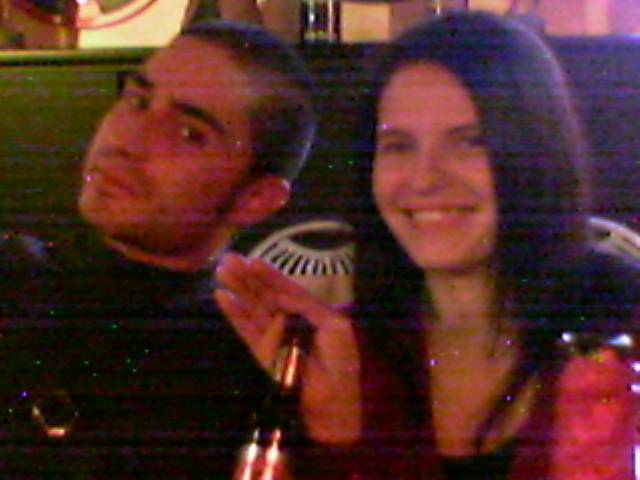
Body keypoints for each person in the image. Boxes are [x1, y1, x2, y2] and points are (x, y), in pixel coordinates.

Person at [215, 11, 640, 479]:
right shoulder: (341, 354)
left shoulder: (621, 331)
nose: (424, 178)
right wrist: (337, 433)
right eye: (399, 146)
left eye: (469, 142)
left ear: (535, 152)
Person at [0, 19, 315, 477]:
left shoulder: (251, 376)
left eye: (189, 132)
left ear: (255, 198)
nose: (127, 140)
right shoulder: (17, 278)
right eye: (138, 101)